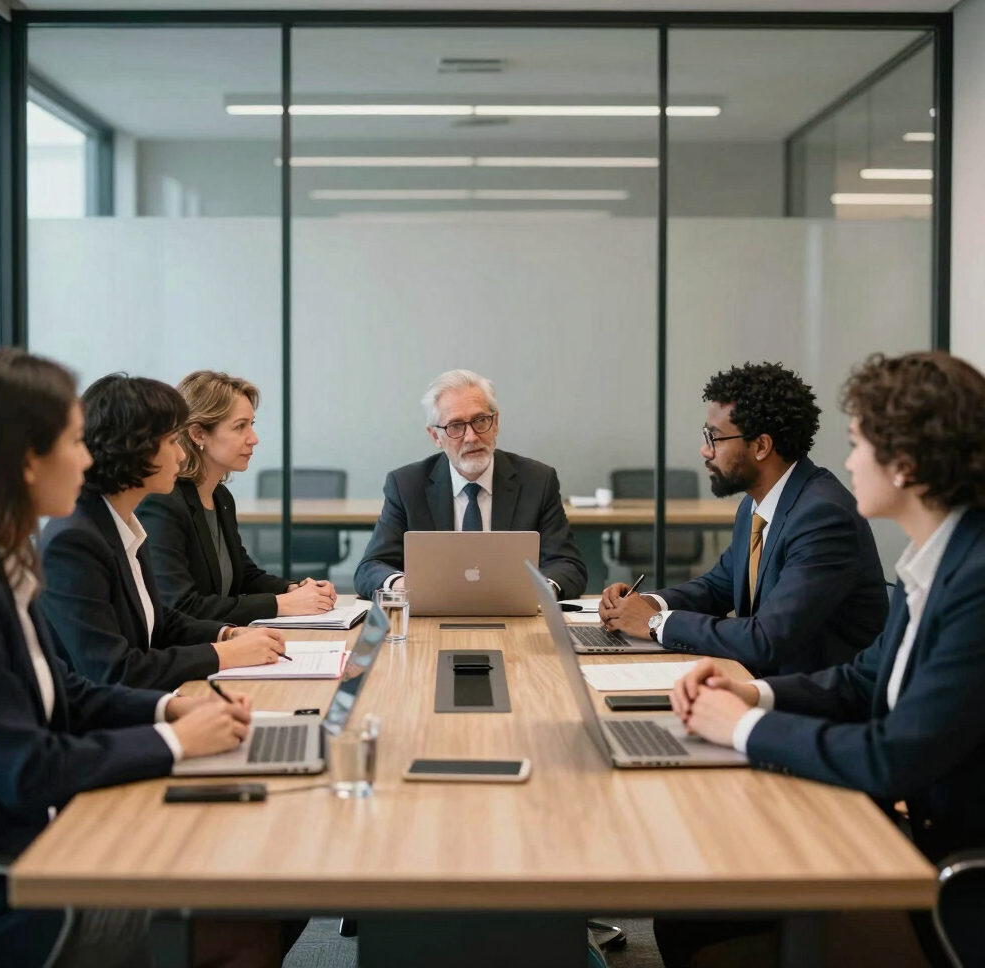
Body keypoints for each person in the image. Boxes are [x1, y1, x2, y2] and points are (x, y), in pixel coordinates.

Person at [666, 350, 985, 968]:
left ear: (907, 465)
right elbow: (867, 677)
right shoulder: (941, 561)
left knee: (694, 918)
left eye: (858, 443)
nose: (846, 462)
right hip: (906, 836)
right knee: (687, 911)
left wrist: (742, 728)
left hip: (942, 872)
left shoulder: (974, 581)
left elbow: (892, 755)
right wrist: (753, 695)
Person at [0, 349, 258, 968]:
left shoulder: (5, 564)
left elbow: (68, 692)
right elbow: (25, 768)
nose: (89, 457)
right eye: (73, 441)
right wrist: (176, 741)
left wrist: (173, 710)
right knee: (243, 916)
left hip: (56, 837)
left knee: (245, 884)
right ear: (25, 459)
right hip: (11, 886)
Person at [600, 362, 887, 676]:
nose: (705, 451)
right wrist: (648, 604)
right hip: (759, 685)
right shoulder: (757, 504)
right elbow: (716, 588)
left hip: (813, 706)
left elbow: (767, 638)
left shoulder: (823, 516)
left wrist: (655, 624)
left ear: (761, 446)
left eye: (715, 438)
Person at [40, 373, 289, 691]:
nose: (182, 454)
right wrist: (222, 653)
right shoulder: (74, 542)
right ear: (134, 448)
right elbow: (114, 672)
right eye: (172, 441)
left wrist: (226, 634)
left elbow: (159, 620)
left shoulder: (120, 522)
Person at [354, 368, 587, 600]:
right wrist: (407, 585)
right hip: (432, 617)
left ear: (495, 424)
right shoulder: (406, 486)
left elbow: (568, 566)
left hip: (514, 616)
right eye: (455, 426)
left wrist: (536, 592)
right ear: (436, 437)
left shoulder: (538, 481)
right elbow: (371, 568)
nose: (472, 437)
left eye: (480, 421)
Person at [138, 370, 336, 625]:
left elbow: (244, 575)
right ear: (198, 434)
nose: (253, 439)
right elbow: (179, 605)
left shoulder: (220, 496)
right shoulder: (163, 503)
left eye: (251, 425)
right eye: (240, 426)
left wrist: (292, 589)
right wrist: (280, 604)